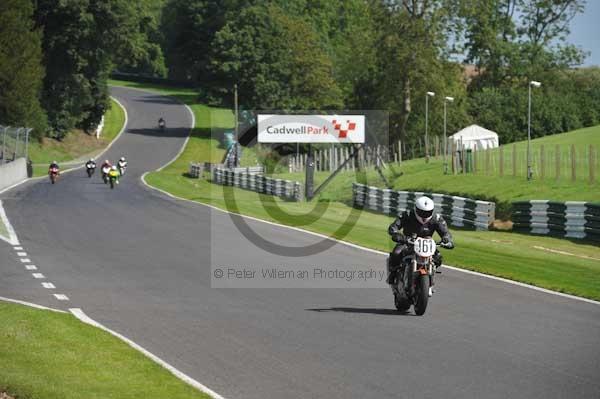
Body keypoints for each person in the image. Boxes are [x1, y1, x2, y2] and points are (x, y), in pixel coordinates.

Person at [387, 196, 454, 287]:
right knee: (396, 253)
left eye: (427, 212)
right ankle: (393, 274)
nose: (424, 214)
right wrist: (397, 235)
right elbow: (393, 227)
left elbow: (446, 233)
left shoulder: (437, 218)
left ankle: (431, 273)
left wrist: (447, 240)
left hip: (427, 244)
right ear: (416, 209)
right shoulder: (407, 214)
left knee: (438, 257)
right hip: (408, 241)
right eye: (422, 212)